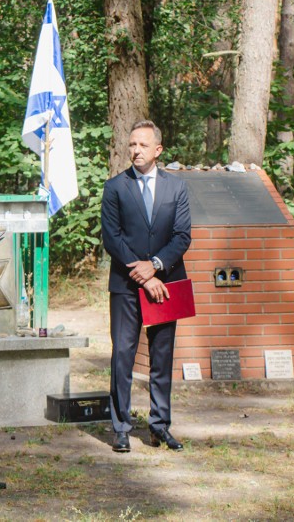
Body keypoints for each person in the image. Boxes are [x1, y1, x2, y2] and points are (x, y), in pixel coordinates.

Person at [100, 120, 192, 453]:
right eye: (132, 144)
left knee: (162, 356)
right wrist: (144, 276)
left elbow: (182, 236)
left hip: (166, 284)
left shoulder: (176, 188)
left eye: (143, 145)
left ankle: (159, 426)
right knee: (123, 354)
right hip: (126, 285)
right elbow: (113, 238)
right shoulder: (115, 188)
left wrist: (155, 267)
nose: (136, 150)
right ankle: (121, 426)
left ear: (158, 150)